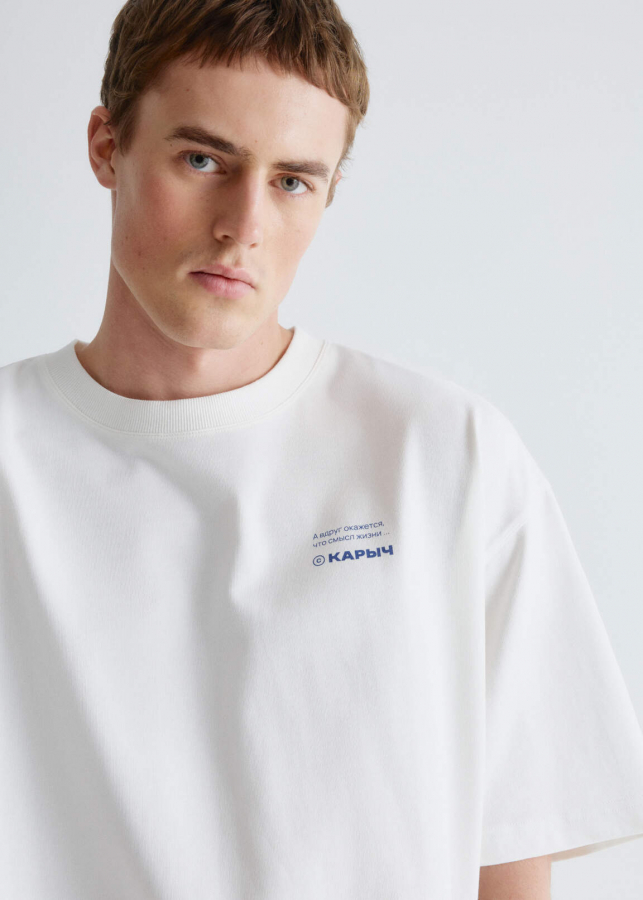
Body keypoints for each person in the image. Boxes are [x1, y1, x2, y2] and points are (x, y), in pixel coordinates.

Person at [1, 1, 643, 898]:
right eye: (203, 160)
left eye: (293, 181)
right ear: (108, 146)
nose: (243, 225)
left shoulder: (442, 457)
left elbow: (507, 857)